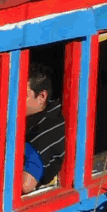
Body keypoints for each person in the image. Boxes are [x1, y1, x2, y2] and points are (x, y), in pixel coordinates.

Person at [23, 64, 65, 192]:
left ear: (41, 97)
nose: (10, 100)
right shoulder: (55, 107)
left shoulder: (39, 135)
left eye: (21, 94)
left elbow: (25, 184)